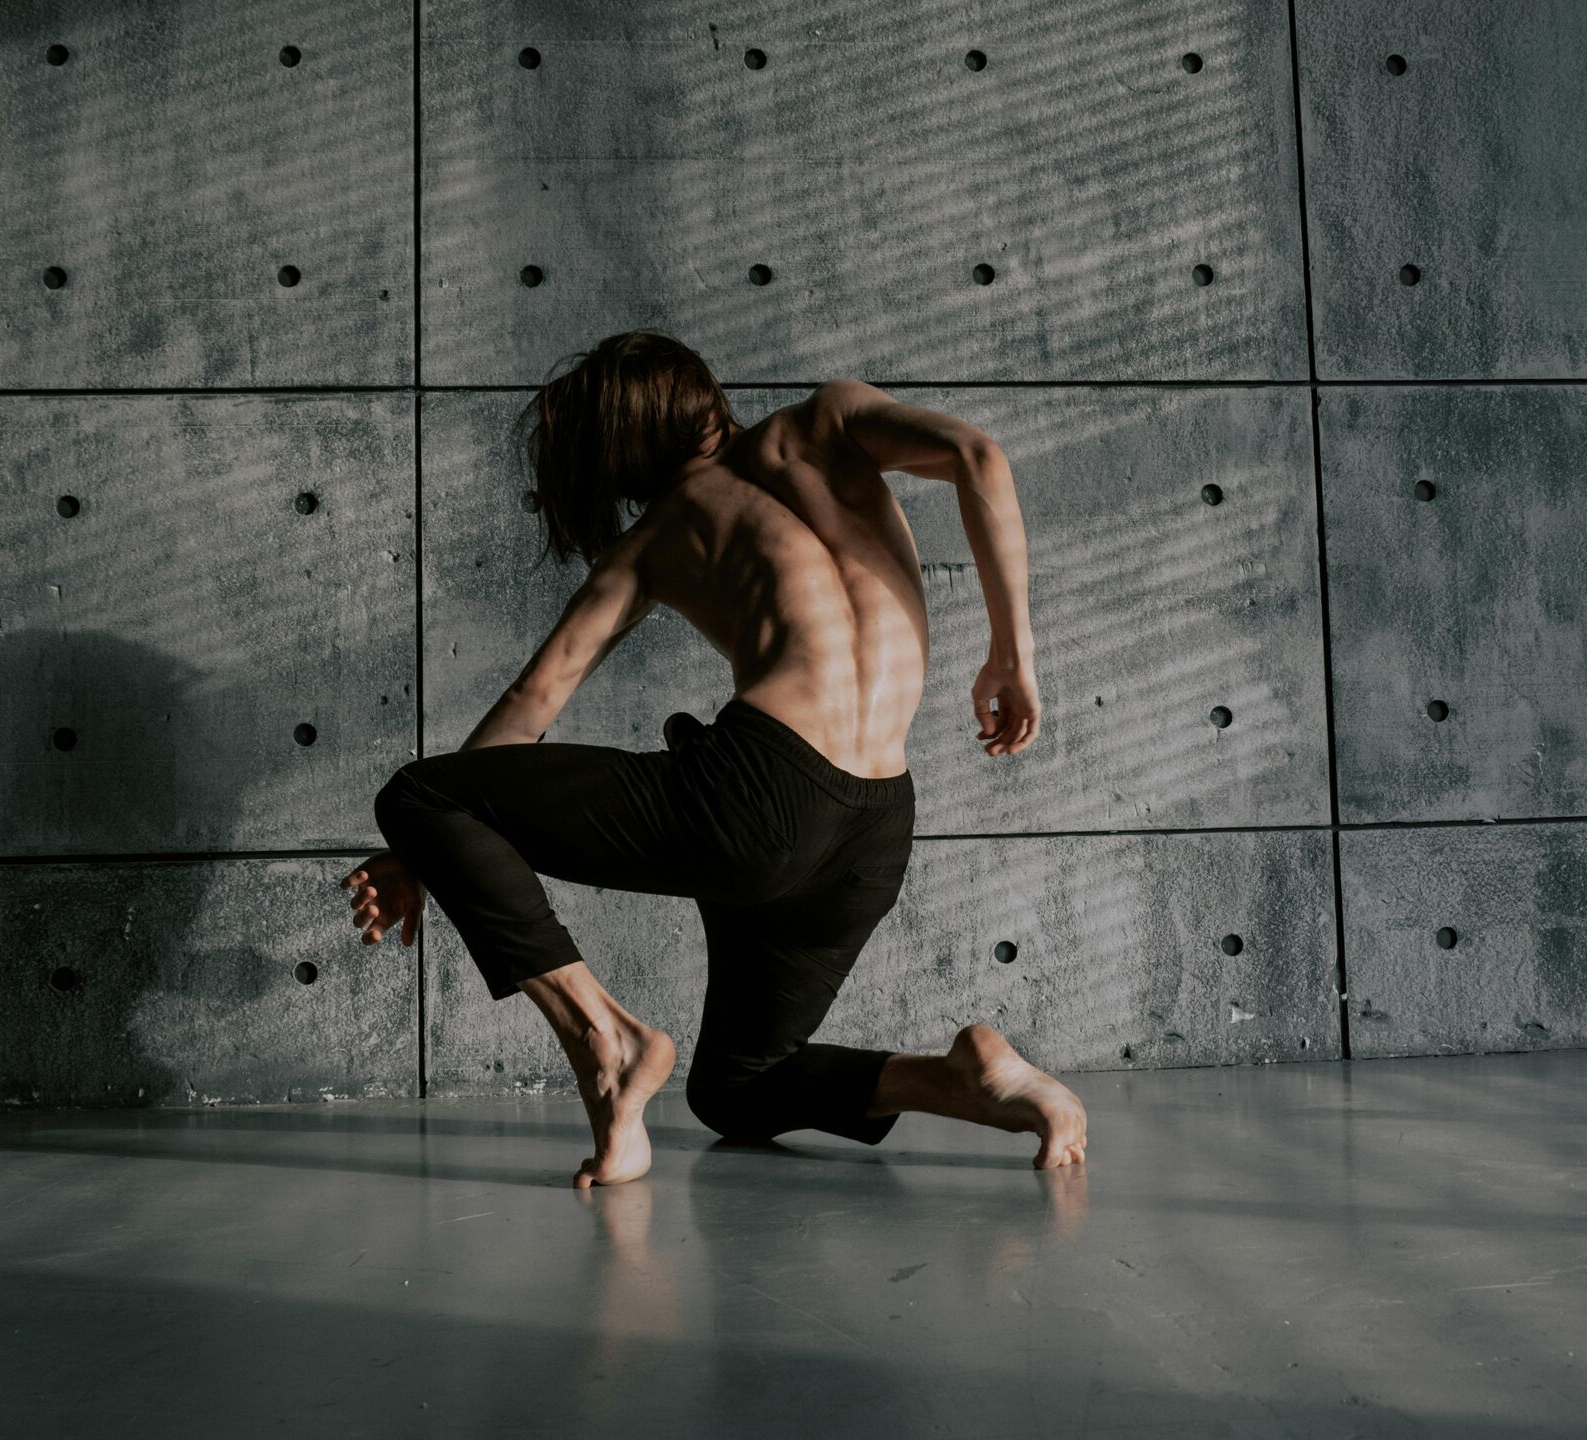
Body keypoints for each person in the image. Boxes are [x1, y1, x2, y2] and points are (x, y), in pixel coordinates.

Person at [341, 329, 1087, 1188]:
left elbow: (532, 702)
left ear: (613, 454)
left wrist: (421, 847)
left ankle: (606, 1041)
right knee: (736, 1089)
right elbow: (976, 454)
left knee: (420, 793)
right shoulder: (830, 420)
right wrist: (1010, 656)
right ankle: (958, 1080)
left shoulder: (657, 537)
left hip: (759, 801)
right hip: (877, 829)